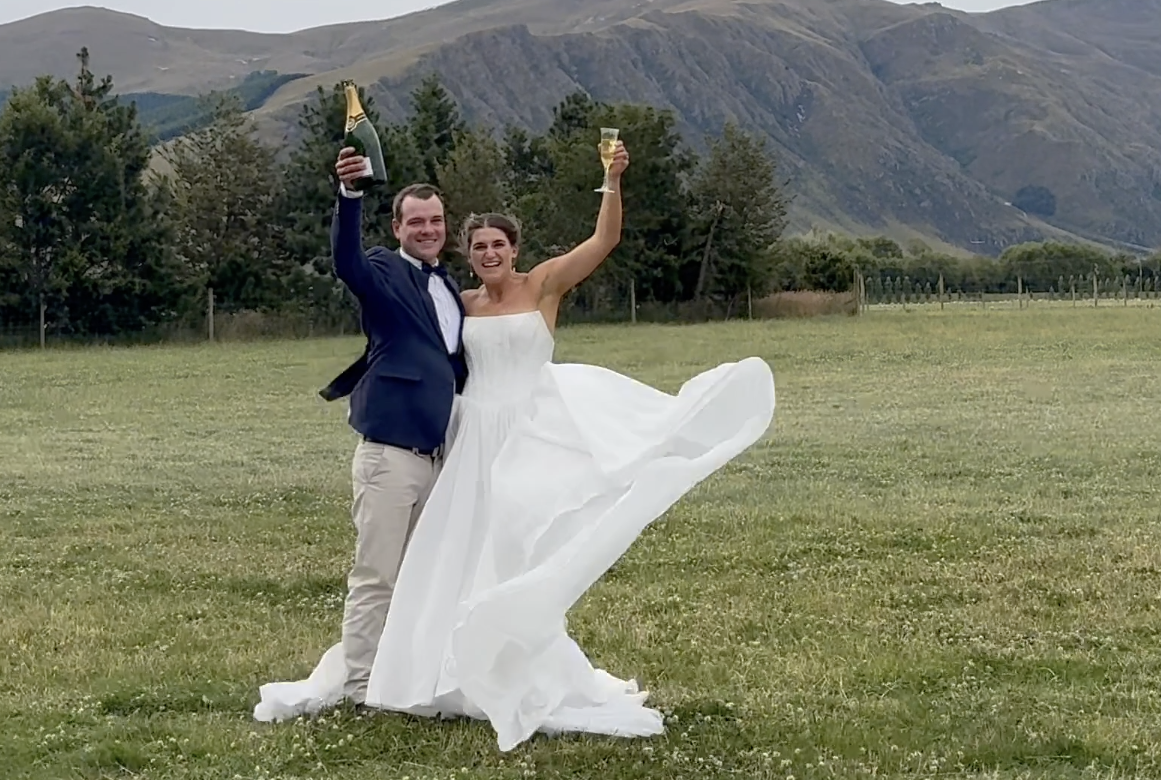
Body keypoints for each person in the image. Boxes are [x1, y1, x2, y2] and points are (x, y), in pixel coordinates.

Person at [255, 137, 775, 748]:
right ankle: (404, 670)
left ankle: (503, 661)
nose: (489, 252)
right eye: (478, 246)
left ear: (515, 249)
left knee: (512, 555)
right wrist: (349, 196)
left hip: (525, 435)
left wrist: (612, 180)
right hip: (464, 441)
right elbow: (377, 297)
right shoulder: (459, 298)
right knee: (445, 561)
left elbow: (603, 242)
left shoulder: (541, 287)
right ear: (464, 254)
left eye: (498, 244)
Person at [254, 160, 467, 719]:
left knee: (423, 577)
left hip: (438, 455)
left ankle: (410, 675)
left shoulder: (447, 284)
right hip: (390, 454)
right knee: (377, 575)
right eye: (416, 222)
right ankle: (360, 690)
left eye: (436, 221)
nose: (427, 230)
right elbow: (345, 261)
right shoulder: (381, 269)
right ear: (396, 228)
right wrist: (349, 195)